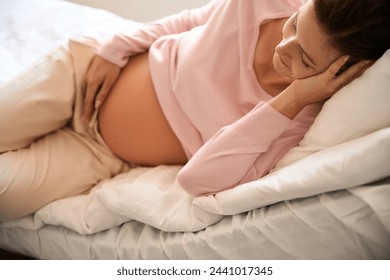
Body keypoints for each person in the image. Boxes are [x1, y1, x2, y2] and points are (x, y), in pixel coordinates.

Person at [0, 0, 389, 220]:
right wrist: (115, 46)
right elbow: (195, 19)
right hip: (81, 74)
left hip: (102, 156)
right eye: (294, 24)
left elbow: (198, 181)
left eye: (304, 59)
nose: (282, 50)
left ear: (347, 71)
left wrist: (294, 97)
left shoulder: (296, 119)